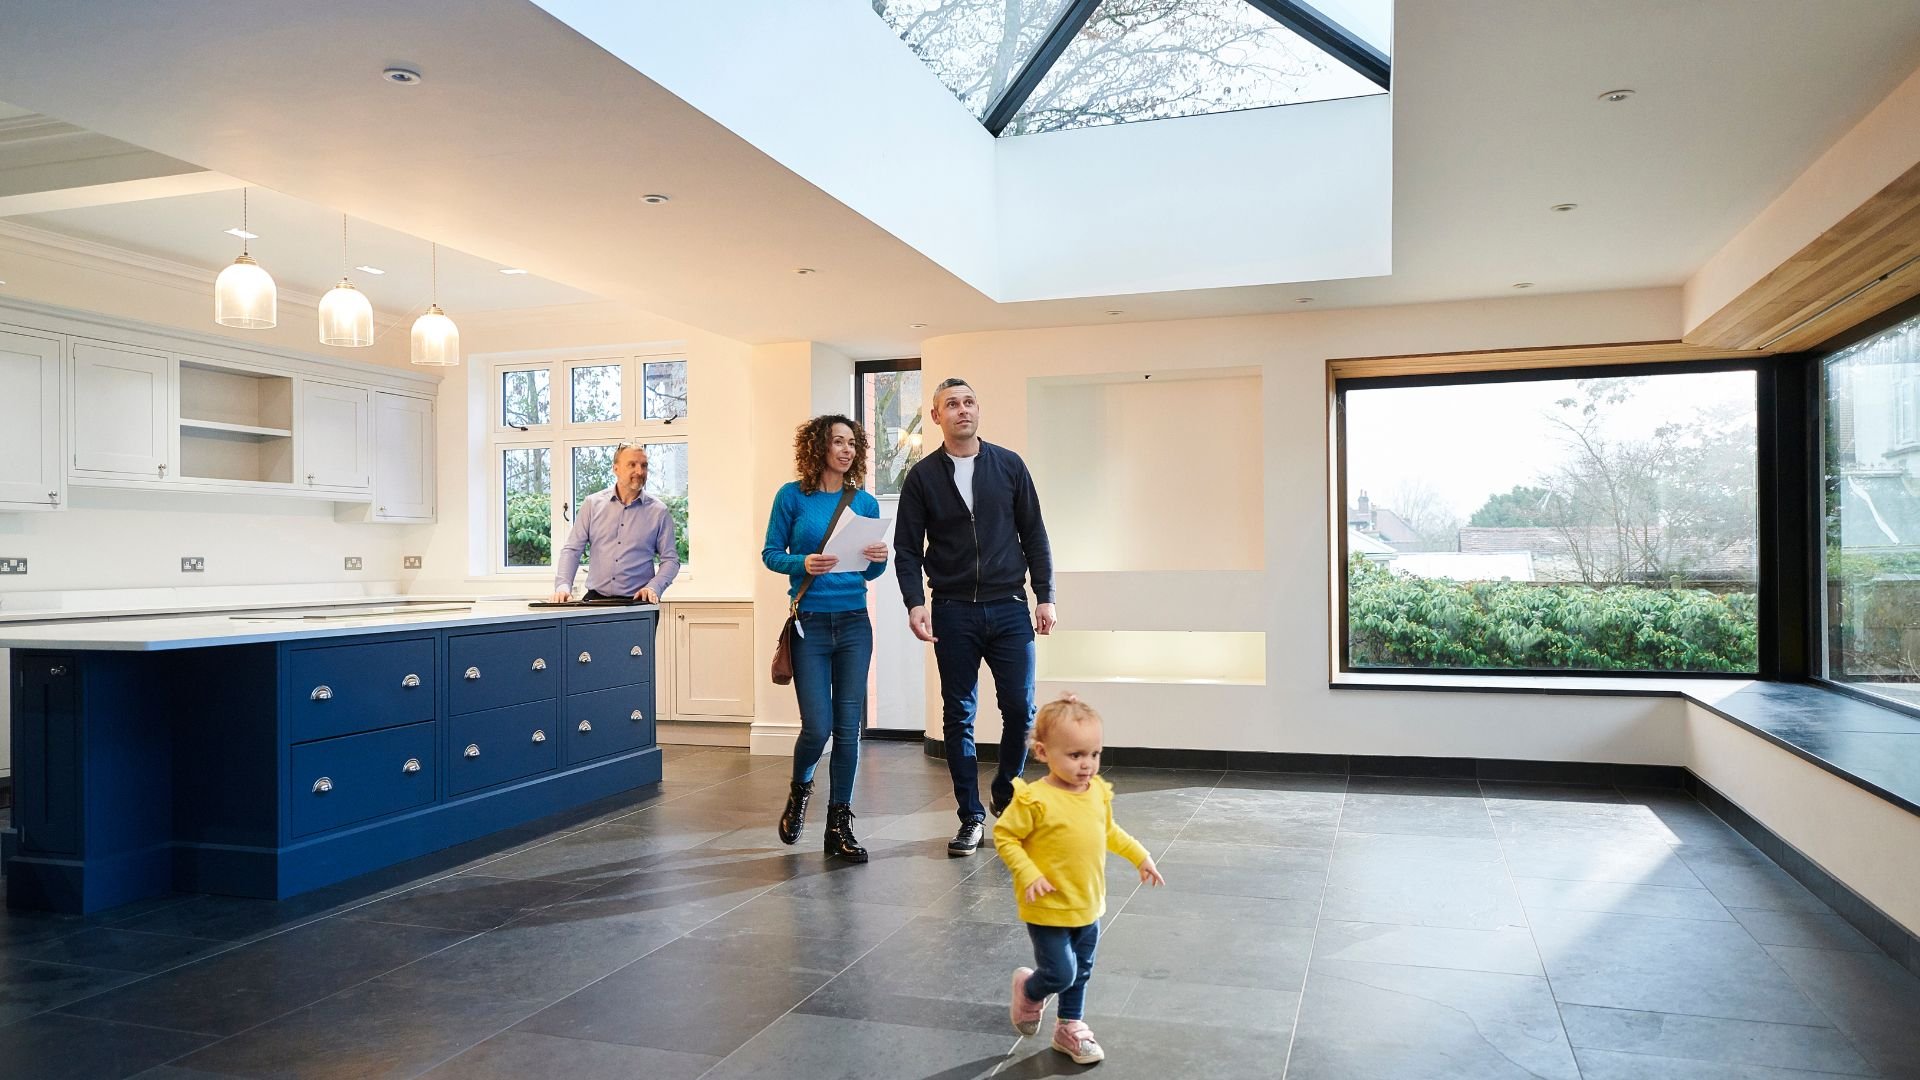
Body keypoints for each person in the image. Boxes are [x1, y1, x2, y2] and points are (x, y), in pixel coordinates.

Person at [894, 378, 1056, 857]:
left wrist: (1045, 596)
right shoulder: (922, 477)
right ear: (936, 416)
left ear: (978, 410)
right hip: (952, 610)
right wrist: (914, 602)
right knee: (958, 714)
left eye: (968, 402)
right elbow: (907, 549)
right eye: (952, 404)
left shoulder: (1009, 465)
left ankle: (1005, 790)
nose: (962, 410)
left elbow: (1035, 533)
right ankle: (970, 816)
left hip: (1009, 606)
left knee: (1021, 710)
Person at [996, 694, 1164, 1065]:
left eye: (1094, 754)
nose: (1087, 764)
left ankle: (1069, 1027)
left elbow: (1109, 832)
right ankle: (1030, 989)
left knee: (1081, 972)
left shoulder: (1096, 793)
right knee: (1061, 972)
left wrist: (1140, 855)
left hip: (1088, 903)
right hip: (1047, 906)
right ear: (1043, 752)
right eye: (1075, 755)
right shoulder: (1034, 800)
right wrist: (1029, 872)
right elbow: (1005, 836)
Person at [762, 415, 891, 862]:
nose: (847, 449)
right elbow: (771, 553)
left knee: (847, 729)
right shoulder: (791, 497)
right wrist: (802, 563)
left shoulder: (865, 502)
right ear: (818, 447)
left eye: (852, 443)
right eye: (838, 442)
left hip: (854, 622)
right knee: (817, 728)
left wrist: (879, 558)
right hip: (810, 623)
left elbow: (870, 572)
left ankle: (839, 825)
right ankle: (800, 791)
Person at [550, 441, 680, 603]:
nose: (640, 471)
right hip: (596, 601)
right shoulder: (592, 504)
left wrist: (654, 587)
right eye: (632, 465)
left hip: (639, 602)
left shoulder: (659, 511)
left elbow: (671, 560)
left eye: (644, 465)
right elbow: (572, 550)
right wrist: (562, 586)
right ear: (615, 469)